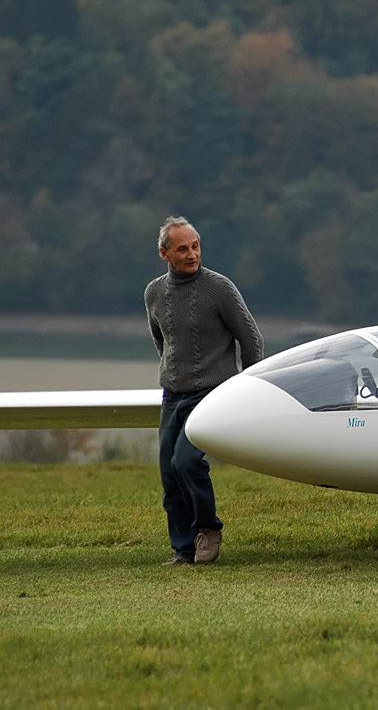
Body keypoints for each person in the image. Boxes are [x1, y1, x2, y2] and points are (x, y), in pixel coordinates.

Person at [145, 216, 264, 565]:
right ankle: (183, 549)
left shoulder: (219, 288)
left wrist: (247, 387)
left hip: (212, 396)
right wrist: (173, 372)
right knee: (169, 473)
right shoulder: (153, 292)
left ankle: (208, 531)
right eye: (182, 248)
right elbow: (162, 340)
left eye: (195, 246)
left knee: (186, 462)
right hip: (172, 396)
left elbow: (251, 337)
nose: (192, 254)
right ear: (164, 253)